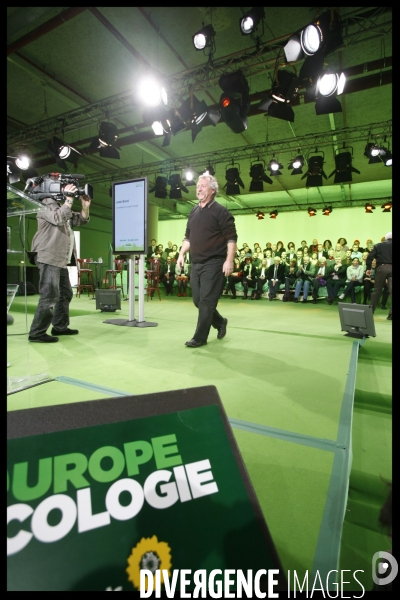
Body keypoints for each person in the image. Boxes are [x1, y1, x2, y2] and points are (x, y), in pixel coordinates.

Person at [177, 174, 237, 347]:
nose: (199, 189)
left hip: (214, 263)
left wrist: (229, 260)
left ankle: (199, 338)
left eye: (203, 186)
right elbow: (188, 237)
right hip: (196, 263)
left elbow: (231, 238)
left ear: (213, 189)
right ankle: (219, 322)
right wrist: (181, 254)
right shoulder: (194, 211)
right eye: (197, 186)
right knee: (198, 300)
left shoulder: (221, 211)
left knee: (206, 301)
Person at [28, 181, 91, 343]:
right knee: (49, 296)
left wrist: (85, 207)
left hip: (61, 258)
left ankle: (59, 326)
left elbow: (79, 220)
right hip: (49, 255)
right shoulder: (45, 203)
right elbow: (57, 218)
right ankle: (36, 332)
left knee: (65, 293)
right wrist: (68, 200)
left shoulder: (61, 206)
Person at [365, 232, 392, 319]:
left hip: (382, 267)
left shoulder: (379, 245)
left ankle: (370, 311)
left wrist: (370, 268)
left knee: (377, 290)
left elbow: (370, 257)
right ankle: (391, 315)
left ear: (386, 238)